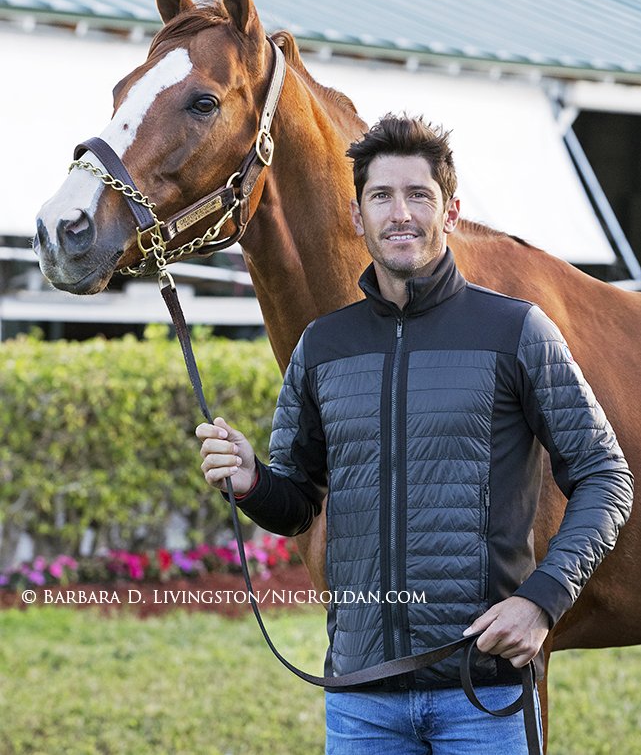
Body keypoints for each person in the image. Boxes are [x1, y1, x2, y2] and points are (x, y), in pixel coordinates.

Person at [196, 114, 633, 754]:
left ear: (450, 211)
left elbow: (605, 476)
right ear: (356, 217)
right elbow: (298, 505)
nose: (400, 214)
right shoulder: (322, 348)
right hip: (362, 703)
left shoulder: (518, 332)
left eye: (418, 195)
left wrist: (542, 602)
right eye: (381, 197)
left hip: (481, 698)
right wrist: (252, 481)